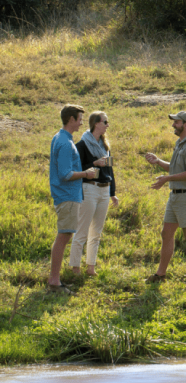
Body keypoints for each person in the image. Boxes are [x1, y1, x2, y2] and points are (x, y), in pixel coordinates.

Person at [143, 111, 186, 288]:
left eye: (176, 122)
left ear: (185, 124)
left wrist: (166, 179)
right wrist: (158, 162)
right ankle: (161, 273)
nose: (173, 125)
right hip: (175, 196)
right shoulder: (180, 144)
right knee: (166, 233)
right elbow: (176, 168)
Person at [49, 104, 98, 294]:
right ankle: (54, 280)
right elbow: (65, 174)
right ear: (71, 119)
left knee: (65, 235)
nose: (81, 123)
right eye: (79, 119)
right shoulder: (64, 142)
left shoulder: (62, 138)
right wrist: (86, 174)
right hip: (67, 195)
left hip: (69, 195)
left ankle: (55, 279)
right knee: (63, 236)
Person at [71, 111, 120, 277]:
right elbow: (76, 168)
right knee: (82, 230)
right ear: (96, 124)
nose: (107, 125)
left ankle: (91, 266)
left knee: (96, 232)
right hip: (89, 188)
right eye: (105, 122)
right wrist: (94, 163)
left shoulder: (105, 145)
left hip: (104, 189)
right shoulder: (82, 144)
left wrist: (113, 192)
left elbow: (110, 170)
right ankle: (75, 267)